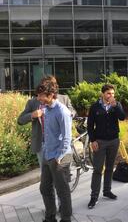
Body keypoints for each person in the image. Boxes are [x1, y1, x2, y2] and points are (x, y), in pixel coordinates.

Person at [17, 75, 76, 168]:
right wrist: (32, 115)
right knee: (46, 175)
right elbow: (20, 120)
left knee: (60, 174)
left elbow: (72, 111)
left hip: (59, 143)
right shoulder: (33, 102)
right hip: (42, 144)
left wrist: (68, 115)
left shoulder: (63, 99)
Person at [36, 79, 73, 222]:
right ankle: (50, 217)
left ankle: (66, 219)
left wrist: (58, 156)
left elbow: (67, 137)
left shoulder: (62, 111)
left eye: (41, 95)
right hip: (47, 154)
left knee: (62, 191)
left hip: (60, 157)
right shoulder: (45, 110)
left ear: (51, 95)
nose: (38, 98)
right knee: (45, 188)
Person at [87, 84, 126, 209]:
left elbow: (122, 117)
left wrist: (116, 107)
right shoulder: (95, 107)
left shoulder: (116, 105)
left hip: (114, 141)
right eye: (109, 93)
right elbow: (90, 126)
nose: (111, 96)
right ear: (102, 94)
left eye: (113, 94)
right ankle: (94, 196)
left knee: (110, 167)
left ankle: (107, 191)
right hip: (100, 141)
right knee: (98, 169)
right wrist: (93, 141)